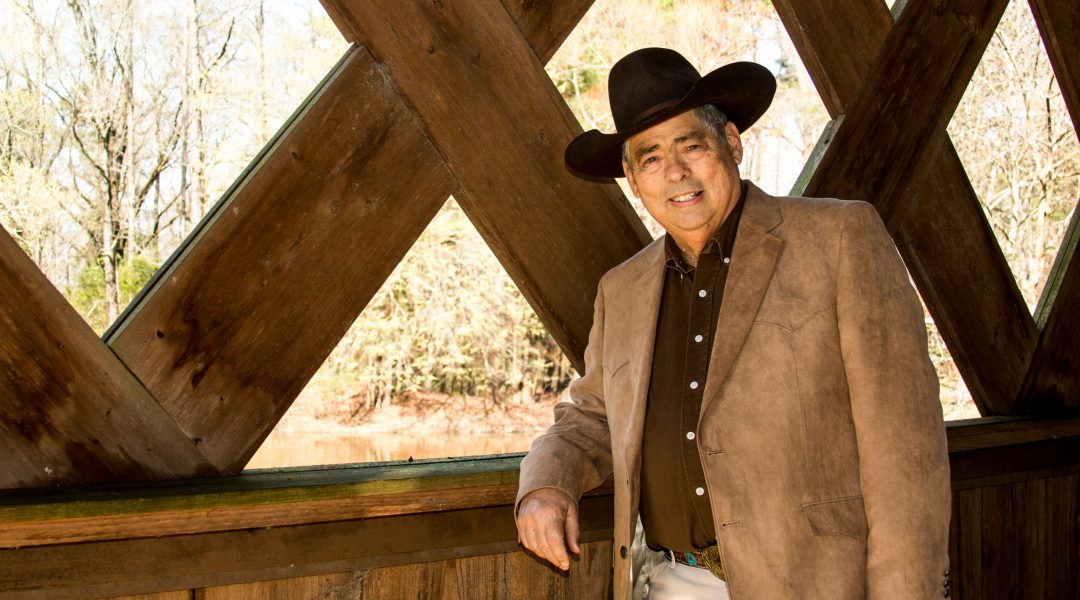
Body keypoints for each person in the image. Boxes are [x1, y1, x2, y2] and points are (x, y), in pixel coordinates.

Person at [515, 47, 952, 600]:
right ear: (632, 177)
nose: (676, 172)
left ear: (732, 143)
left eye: (691, 145)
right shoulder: (620, 290)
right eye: (650, 158)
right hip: (670, 583)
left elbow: (905, 454)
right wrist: (546, 485)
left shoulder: (840, 239)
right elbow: (591, 416)